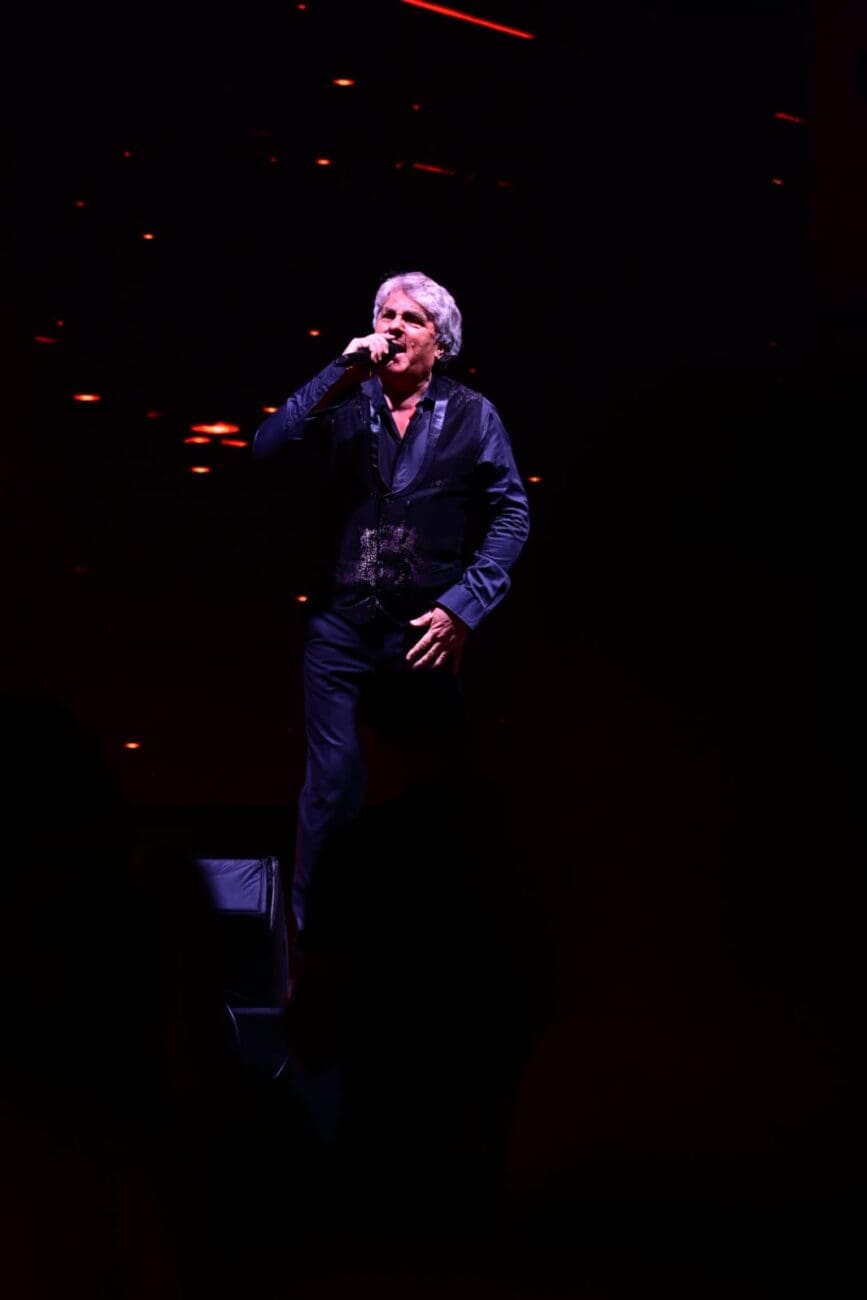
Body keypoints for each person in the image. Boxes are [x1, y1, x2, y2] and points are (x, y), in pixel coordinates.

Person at [253, 270, 530, 942]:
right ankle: (314, 949)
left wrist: (464, 606)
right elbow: (268, 445)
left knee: (423, 787)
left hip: (424, 631)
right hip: (340, 625)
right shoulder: (345, 401)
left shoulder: (473, 414)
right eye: (386, 315)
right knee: (333, 782)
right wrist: (341, 367)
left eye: (412, 319)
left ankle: (425, 945)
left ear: (442, 342)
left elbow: (511, 514)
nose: (395, 327)